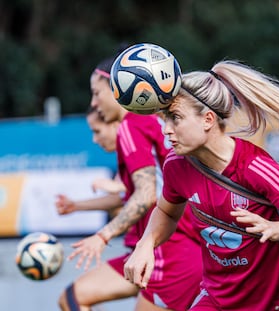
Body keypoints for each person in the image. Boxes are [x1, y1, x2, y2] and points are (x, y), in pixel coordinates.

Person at [123, 60, 279, 310]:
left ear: (207, 119)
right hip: (219, 301)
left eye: (176, 118)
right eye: (165, 120)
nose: (166, 130)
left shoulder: (257, 167)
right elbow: (166, 212)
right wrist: (145, 244)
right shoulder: (176, 165)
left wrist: (276, 228)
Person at [58, 53, 202, 311]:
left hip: (173, 252)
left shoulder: (131, 126)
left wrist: (102, 236)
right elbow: (139, 192)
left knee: (73, 298)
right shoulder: (150, 122)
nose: (94, 102)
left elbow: (146, 194)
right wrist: (78, 206)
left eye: (97, 93)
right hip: (161, 249)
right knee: (72, 297)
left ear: (118, 89)